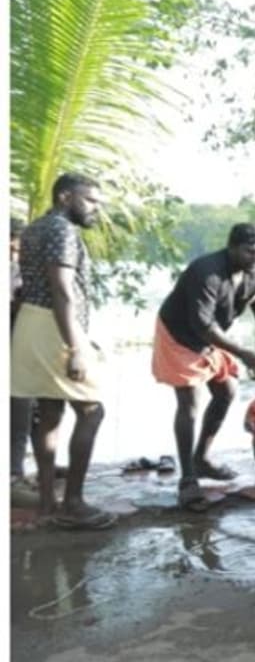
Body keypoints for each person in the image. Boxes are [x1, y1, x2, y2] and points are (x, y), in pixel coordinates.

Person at [152, 223, 255, 510]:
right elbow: (203, 325)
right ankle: (188, 482)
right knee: (189, 402)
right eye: (250, 251)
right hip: (181, 335)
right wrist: (242, 351)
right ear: (232, 247)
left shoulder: (253, 276)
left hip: (209, 338)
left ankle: (201, 459)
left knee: (227, 391)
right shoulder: (207, 272)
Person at [10, 173, 116, 529]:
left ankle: (46, 504)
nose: (96, 210)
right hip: (53, 327)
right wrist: (76, 347)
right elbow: (62, 291)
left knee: (51, 411)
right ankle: (72, 503)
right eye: (90, 201)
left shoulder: (36, 228)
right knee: (91, 411)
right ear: (65, 196)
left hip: (32, 323)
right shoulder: (61, 230)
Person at [10, 216, 39, 509]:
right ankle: (12, 478)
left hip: (19, 347)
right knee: (18, 411)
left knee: (28, 409)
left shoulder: (18, 269)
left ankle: (19, 472)